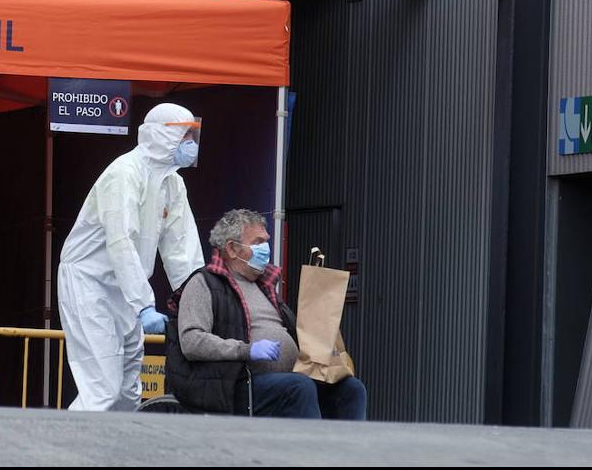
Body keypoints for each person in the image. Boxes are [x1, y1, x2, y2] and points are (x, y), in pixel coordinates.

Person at [58, 103, 205, 411]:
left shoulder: (172, 183)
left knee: (127, 392)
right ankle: (61, 453)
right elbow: (120, 241)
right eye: (185, 135)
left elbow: (182, 250)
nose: (190, 144)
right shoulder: (124, 173)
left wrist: (199, 303)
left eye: (193, 135)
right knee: (103, 388)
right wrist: (143, 306)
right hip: (90, 283)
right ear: (161, 136)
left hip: (127, 293)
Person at [166, 208, 367, 419]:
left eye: (266, 241)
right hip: (233, 386)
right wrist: (246, 350)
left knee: (350, 389)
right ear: (232, 248)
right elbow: (191, 341)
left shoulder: (265, 288)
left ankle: (347, 452)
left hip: (288, 380)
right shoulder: (203, 283)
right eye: (258, 242)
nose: (266, 248)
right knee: (299, 387)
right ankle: (309, 451)